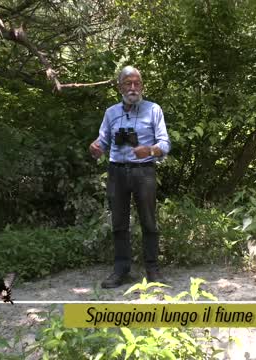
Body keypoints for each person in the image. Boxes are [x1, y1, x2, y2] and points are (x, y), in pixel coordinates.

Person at [89, 66, 171, 288]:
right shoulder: (111, 113)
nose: (133, 87)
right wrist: (96, 147)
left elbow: (165, 144)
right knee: (119, 223)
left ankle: (152, 269)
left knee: (149, 221)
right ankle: (121, 269)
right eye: (128, 83)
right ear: (120, 86)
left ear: (142, 86)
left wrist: (150, 150)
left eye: (137, 83)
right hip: (117, 171)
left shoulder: (154, 110)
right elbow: (102, 142)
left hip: (144, 171)